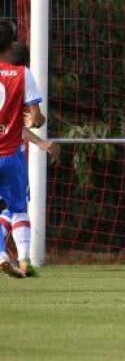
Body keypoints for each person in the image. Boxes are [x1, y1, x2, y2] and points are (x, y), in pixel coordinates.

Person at [0, 24, 45, 278]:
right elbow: (36, 118)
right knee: (17, 209)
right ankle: (25, 260)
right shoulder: (21, 74)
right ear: (10, 46)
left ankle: (3, 255)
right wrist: (36, 121)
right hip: (11, 154)